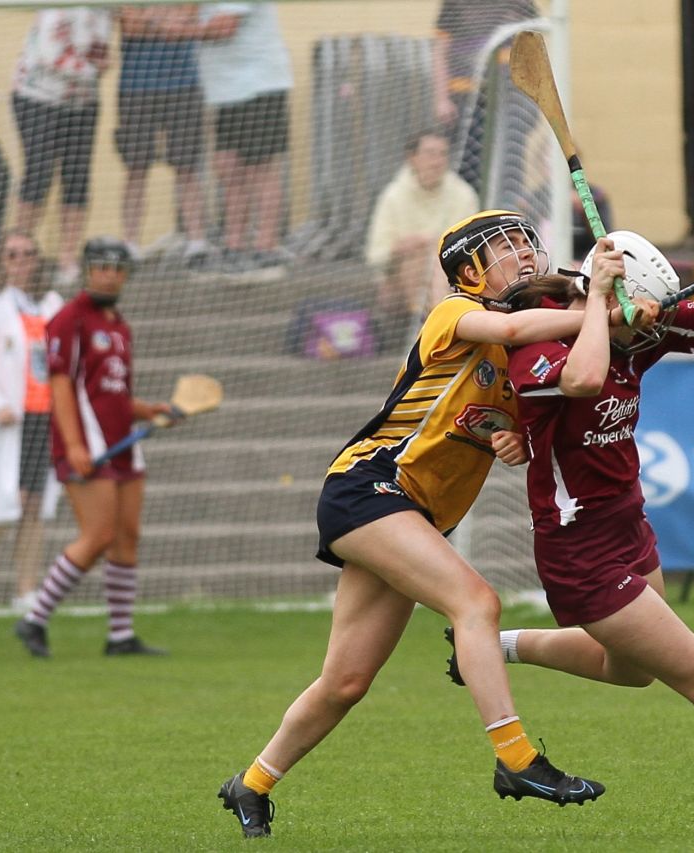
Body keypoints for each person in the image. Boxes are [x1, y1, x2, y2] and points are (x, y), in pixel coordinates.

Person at [215, 210, 659, 839]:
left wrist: (514, 438)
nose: (526, 254)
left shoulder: (514, 368)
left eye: (528, 243)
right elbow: (514, 323)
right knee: (476, 601)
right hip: (369, 487)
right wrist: (603, 312)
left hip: (412, 513)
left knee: (344, 681)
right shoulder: (452, 314)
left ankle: (250, 784)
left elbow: (518, 407)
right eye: (507, 248)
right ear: (470, 271)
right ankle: (516, 759)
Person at [443, 222, 694, 836]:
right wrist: (601, 310)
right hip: (579, 549)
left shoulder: (638, 320)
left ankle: (498, 649)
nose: (648, 333)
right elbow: (580, 380)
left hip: (629, 525)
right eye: (636, 321)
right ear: (606, 300)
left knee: (631, 670)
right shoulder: (544, 339)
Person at [12, 238, 172, 658]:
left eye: (118, 268)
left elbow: (112, 394)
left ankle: (120, 636)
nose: (109, 274)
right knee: (98, 535)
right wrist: (75, 445)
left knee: (126, 536)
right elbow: (61, 386)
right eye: (101, 266)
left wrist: (149, 410)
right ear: (86, 270)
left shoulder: (119, 325)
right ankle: (34, 619)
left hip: (123, 445)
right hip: (88, 447)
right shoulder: (69, 319)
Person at [0, 230, 63, 615]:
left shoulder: (50, 302)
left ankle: (26, 589)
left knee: (34, 504)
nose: (21, 262)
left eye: (28, 254)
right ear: (0, 261)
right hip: (6, 419)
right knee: (4, 502)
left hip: (43, 414)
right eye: (13, 255)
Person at [174, 2, 292, 280]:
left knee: (260, 169)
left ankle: (266, 249)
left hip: (258, 84)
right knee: (228, 168)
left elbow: (225, 27)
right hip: (225, 91)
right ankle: (234, 247)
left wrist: (180, 31)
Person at [10, 7, 112, 286]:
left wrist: (98, 63)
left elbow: (101, 51)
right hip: (36, 98)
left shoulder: (104, 11)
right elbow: (52, 56)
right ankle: (16, 254)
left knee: (77, 178)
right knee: (39, 172)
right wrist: (95, 67)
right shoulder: (56, 10)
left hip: (81, 103)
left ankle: (67, 260)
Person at [114, 5, 210, 266]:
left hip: (184, 85)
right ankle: (130, 243)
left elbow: (188, 20)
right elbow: (130, 25)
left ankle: (196, 242)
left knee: (187, 167)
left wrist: (150, 19)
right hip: (136, 87)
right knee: (136, 167)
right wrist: (165, 21)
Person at [364, 128, 479, 328]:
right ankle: (438, 325)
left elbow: (471, 249)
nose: (437, 161)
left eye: (443, 154)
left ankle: (432, 324)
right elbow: (375, 255)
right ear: (412, 158)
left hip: (453, 280)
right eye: (430, 153)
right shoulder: (393, 196)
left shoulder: (463, 194)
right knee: (416, 257)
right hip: (397, 285)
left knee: (434, 258)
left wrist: (433, 247)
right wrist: (402, 247)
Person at [431, 0, 538, 187]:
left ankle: (505, 210)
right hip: (466, 95)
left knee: (509, 163)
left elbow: (533, 42)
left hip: (508, 95)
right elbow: (440, 50)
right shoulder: (455, 3)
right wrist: (442, 98)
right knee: (467, 166)